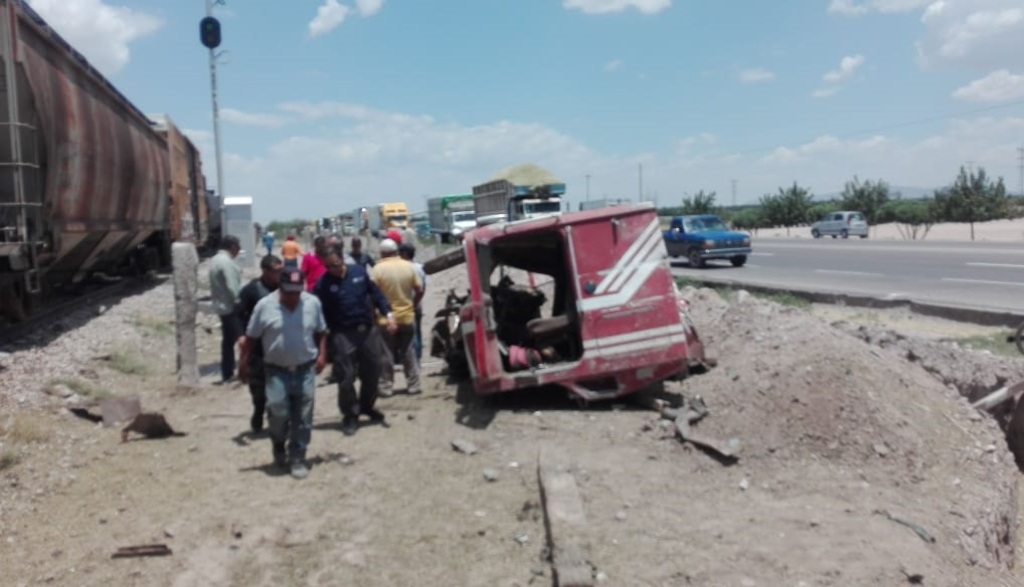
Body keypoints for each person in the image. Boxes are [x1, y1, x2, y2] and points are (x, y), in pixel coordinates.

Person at [239, 267, 328, 480]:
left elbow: (321, 331)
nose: (293, 297)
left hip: (305, 369)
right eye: (289, 292)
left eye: (297, 292)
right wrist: (243, 364)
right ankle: (278, 442)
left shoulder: (312, 303)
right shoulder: (264, 306)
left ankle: (298, 456)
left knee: (303, 417)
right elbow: (251, 338)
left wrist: (322, 355)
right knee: (278, 412)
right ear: (280, 287)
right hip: (276, 371)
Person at [313, 248, 397, 435]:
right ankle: (350, 414)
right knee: (346, 377)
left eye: (335, 264)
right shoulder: (323, 284)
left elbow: (376, 294)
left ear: (342, 260)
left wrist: (389, 315)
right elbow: (315, 310)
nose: (333, 269)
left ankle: (366, 406)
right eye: (328, 266)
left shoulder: (359, 272)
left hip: (367, 331)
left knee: (373, 371)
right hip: (342, 334)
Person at [235, 254, 283, 433]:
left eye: (281, 270)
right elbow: (237, 315)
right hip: (257, 347)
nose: (280, 274)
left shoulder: (285, 288)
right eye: (276, 271)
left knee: (278, 387)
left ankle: (275, 418)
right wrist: (241, 336)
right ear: (265, 271)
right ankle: (258, 409)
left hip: (278, 345)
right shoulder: (252, 290)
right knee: (259, 388)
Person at [371, 238, 423, 396]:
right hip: (407, 315)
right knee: (408, 351)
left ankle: (386, 386)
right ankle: (414, 384)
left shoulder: (377, 269)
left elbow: (372, 294)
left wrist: (373, 313)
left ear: (382, 253)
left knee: (386, 353)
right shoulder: (408, 266)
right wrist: (413, 304)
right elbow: (419, 289)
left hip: (386, 319)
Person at [208, 234, 243, 384]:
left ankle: (227, 373)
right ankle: (244, 371)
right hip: (231, 307)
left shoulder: (215, 259)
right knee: (242, 339)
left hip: (221, 306)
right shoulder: (226, 262)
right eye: (238, 248)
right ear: (233, 247)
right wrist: (241, 303)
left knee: (228, 342)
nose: (238, 251)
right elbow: (233, 287)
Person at [398, 243, 427, 362]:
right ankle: (418, 358)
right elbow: (423, 288)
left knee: (409, 334)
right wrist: (416, 302)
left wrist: (412, 303)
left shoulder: (404, 268)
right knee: (417, 331)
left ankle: (410, 359)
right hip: (417, 303)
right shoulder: (420, 268)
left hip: (406, 304)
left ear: (405, 254)